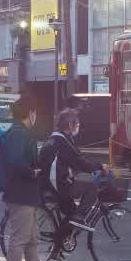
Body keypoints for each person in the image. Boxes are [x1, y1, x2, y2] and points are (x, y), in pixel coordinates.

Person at [0, 100, 56, 261]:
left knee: (32, 238)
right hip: (20, 193)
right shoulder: (18, 133)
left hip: (26, 193)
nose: (35, 117)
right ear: (30, 112)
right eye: (34, 113)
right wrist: (32, 172)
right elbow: (14, 161)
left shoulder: (18, 131)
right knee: (20, 238)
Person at [37, 106, 103, 248]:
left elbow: (76, 158)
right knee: (91, 188)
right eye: (77, 123)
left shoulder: (52, 138)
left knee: (72, 214)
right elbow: (79, 161)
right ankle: (77, 219)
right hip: (58, 186)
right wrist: (100, 167)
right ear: (70, 125)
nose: (78, 126)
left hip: (47, 185)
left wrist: (89, 166)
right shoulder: (62, 141)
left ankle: (59, 245)